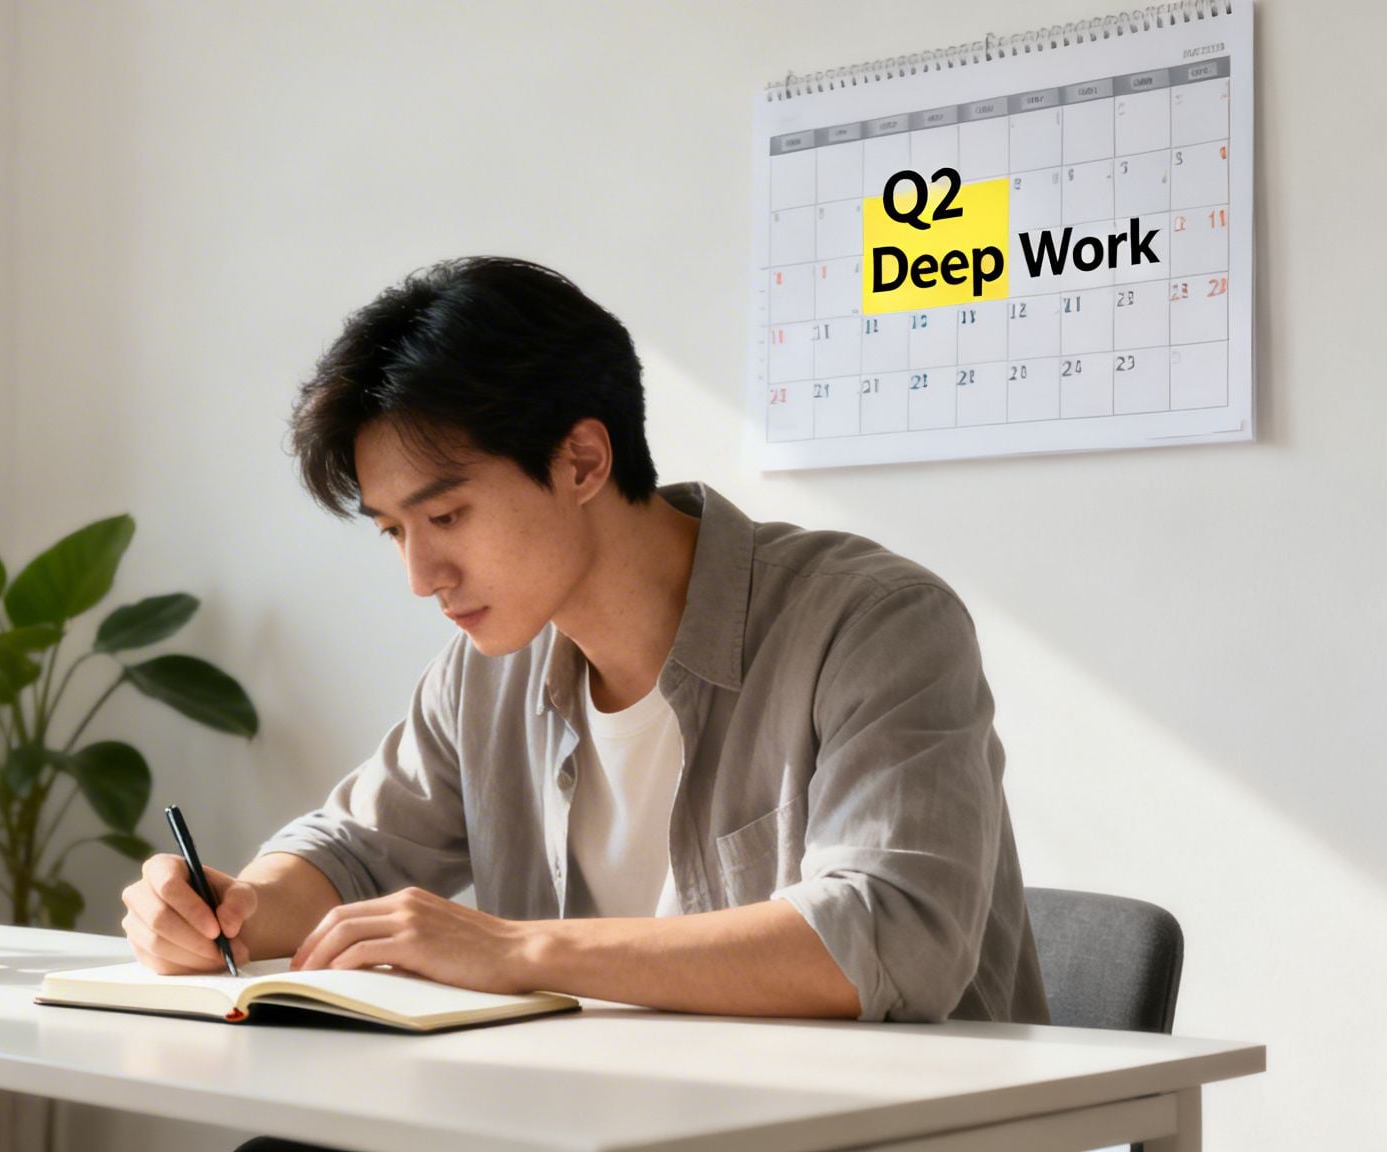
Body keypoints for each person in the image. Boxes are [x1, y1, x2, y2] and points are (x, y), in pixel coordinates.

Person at [120, 256, 1048, 1037]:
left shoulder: (873, 624)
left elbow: (893, 935)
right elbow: (354, 852)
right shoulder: (486, 674)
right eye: (395, 532)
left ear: (582, 461)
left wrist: (518, 952)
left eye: (445, 514)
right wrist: (230, 907)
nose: (422, 575)